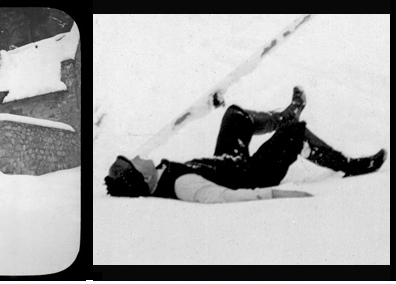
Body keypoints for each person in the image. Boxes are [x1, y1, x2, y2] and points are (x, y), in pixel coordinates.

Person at [105, 87, 386, 203]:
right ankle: (348, 166)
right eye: (133, 161)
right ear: (143, 176)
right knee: (294, 134)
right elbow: (225, 198)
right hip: (253, 173)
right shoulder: (183, 185)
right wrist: (276, 196)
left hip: (230, 162)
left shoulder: (161, 175)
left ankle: (286, 114)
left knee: (235, 116)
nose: (139, 155)